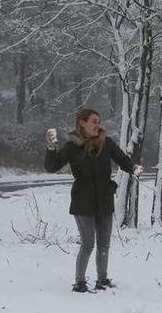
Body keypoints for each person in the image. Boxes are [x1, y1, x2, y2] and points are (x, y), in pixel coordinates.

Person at [45, 109, 143, 293]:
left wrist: (133, 167)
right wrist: (51, 148)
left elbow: (122, 159)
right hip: (83, 202)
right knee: (88, 243)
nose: (98, 124)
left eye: (99, 121)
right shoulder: (72, 146)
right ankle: (80, 283)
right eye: (94, 121)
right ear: (82, 122)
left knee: (104, 243)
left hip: (104, 199)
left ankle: (102, 280)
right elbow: (52, 166)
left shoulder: (106, 143)